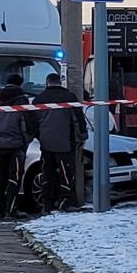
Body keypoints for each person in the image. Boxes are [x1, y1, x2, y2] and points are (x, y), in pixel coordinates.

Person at [33, 72, 87, 213]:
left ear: (47, 83)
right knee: (66, 173)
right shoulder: (69, 97)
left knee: (47, 173)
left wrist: (39, 136)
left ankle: (47, 203)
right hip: (65, 143)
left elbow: (33, 123)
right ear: (60, 82)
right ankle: (65, 202)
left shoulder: (39, 99)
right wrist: (82, 136)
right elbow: (78, 119)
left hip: (46, 143)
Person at [0, 73, 36, 218]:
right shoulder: (21, 100)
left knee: (0, 177)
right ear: (20, 84)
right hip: (17, 146)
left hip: (0, 145)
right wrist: (26, 140)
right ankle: (11, 209)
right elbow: (27, 125)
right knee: (14, 178)